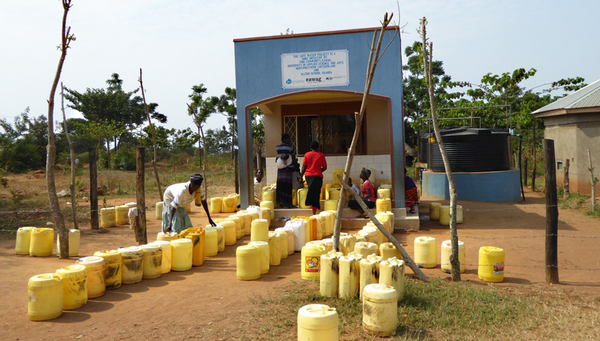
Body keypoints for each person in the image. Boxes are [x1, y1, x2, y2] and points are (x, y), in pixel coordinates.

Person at [301, 141, 327, 215]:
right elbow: (325, 167)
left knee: (311, 190)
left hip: (309, 176)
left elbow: (304, 167)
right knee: (317, 192)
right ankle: (315, 209)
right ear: (318, 147)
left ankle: (314, 207)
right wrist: (319, 170)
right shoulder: (321, 155)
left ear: (310, 147)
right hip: (318, 176)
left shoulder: (307, 155)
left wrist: (300, 177)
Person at [276, 134, 297, 208]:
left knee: (281, 186)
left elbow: (278, 157)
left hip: (280, 170)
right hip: (288, 170)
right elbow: (293, 158)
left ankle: (280, 203)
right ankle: (288, 203)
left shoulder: (277, 148)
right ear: (286, 139)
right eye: (289, 139)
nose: (290, 140)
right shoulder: (290, 148)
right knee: (287, 186)